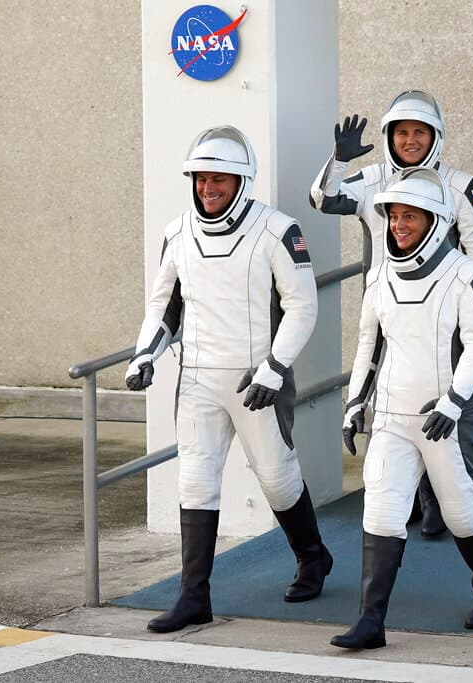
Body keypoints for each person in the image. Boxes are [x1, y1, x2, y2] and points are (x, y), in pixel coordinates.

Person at [125, 125, 331, 633]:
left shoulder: (279, 230)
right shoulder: (176, 234)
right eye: (201, 178)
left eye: (219, 178)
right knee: (195, 481)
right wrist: (143, 356)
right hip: (196, 379)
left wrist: (275, 368)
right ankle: (193, 596)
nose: (208, 188)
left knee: (276, 475)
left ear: (242, 180)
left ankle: (313, 557)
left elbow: (303, 306)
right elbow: (162, 307)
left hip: (257, 379)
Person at [332, 167, 473, 649]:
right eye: (393, 216)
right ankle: (371, 620)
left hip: (442, 420)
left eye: (411, 215)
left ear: (436, 220)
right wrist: (354, 404)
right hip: (391, 416)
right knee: (382, 511)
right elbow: (369, 342)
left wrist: (453, 401)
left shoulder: (469, 276)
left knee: (462, 512)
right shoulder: (382, 275)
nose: (399, 225)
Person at [310, 90, 473, 539]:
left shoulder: (461, 185)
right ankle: (403, 494)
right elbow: (321, 200)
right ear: (390, 136)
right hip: (387, 306)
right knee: (388, 397)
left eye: (420, 132)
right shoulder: (372, 180)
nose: (410, 140)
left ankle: (448, 494)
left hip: (444, 312)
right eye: (402, 132)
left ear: (437, 136)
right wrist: (337, 161)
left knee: (454, 396)